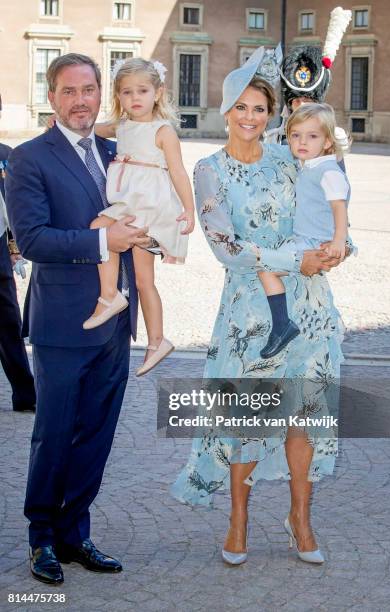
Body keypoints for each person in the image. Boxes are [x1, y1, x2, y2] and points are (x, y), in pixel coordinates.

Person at [171, 46, 348, 566]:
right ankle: (238, 520)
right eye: (241, 107)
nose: (250, 117)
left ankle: (300, 519)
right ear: (226, 109)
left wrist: (338, 248)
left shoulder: (288, 156)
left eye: (260, 109)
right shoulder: (209, 169)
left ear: (272, 115)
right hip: (250, 315)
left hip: (311, 310)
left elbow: (327, 206)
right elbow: (225, 246)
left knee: (304, 416)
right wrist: (298, 260)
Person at [5, 53, 152, 585]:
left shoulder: (118, 153)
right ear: (52, 98)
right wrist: (101, 241)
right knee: (55, 432)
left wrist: (152, 232)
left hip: (115, 323)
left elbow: (144, 211)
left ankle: (75, 533)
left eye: (89, 90)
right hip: (63, 326)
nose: (81, 100)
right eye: (69, 92)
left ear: (100, 94)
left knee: (98, 434)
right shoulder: (29, 159)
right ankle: (41, 537)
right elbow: (34, 239)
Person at [82, 57, 195, 376]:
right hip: (132, 202)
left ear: (158, 93)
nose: (135, 98)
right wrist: (56, 124)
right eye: (126, 92)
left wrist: (189, 209)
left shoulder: (163, 131)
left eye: (142, 91)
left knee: (99, 226)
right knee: (145, 280)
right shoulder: (121, 126)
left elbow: (178, 172)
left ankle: (110, 296)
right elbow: (89, 127)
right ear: (118, 96)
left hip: (146, 204)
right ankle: (157, 341)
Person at [259, 102, 350, 359]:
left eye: (312, 136)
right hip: (304, 237)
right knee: (268, 268)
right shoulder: (309, 166)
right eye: (296, 135)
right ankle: (282, 325)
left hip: (314, 241)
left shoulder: (328, 171)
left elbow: (339, 208)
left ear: (328, 142)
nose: (302, 142)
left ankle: (282, 326)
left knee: (266, 268)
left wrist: (339, 241)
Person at [265, 6, 352, 153]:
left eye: (307, 99)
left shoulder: (334, 138)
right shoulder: (274, 140)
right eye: (297, 100)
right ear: (289, 103)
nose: (302, 106)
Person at [0, 140, 36, 412]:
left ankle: (25, 394)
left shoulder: (6, 154)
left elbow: (13, 203)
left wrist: (15, 248)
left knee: (10, 324)